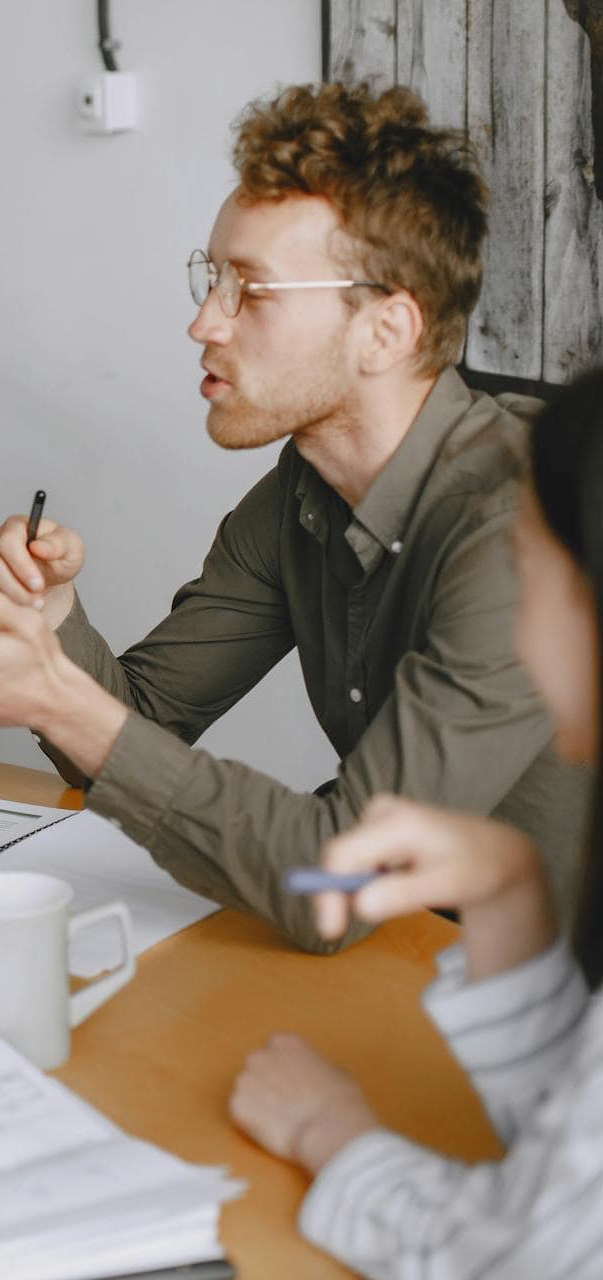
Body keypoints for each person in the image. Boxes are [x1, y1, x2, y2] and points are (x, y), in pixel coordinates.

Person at [0, 82, 588, 951]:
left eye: (253, 291)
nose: (203, 322)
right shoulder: (296, 495)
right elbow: (140, 728)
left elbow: (333, 881)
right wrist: (54, 628)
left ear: (385, 330)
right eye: (212, 277)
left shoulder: (526, 533)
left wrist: (57, 700)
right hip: (421, 963)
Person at [228, 367, 603, 1277]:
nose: (513, 634)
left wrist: (335, 1135)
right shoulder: (283, 505)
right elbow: (573, 1169)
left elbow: (524, 1256)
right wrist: (512, 904)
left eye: (529, 574)